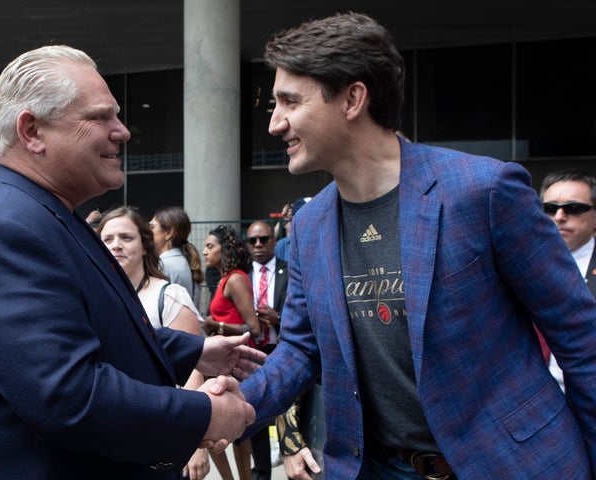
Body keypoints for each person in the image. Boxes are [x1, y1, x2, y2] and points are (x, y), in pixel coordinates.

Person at [232, 12, 596, 479]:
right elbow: (301, 350)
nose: (274, 124)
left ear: (352, 99)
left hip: (509, 464)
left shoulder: (483, 191)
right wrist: (232, 407)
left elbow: (580, 339)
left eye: (288, 102)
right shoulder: (309, 224)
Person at [0, 45, 265, 480]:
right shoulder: (7, 229)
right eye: (100, 117)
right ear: (31, 131)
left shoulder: (41, 213)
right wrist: (207, 413)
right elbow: (68, 396)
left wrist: (195, 350)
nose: (122, 131)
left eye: (117, 116)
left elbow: (91, 330)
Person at [98, 205, 210, 480]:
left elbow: (195, 368)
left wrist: (195, 440)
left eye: (126, 238)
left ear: (144, 246)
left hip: (161, 435)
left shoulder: (169, 295)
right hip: (108, 436)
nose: (116, 246)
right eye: (108, 239)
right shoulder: (94, 298)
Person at [202, 225, 260, 480]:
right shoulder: (222, 279)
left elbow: (253, 327)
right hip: (223, 364)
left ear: (224, 250)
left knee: (237, 430)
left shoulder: (235, 278)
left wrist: (218, 326)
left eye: (210, 246)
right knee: (217, 430)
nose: (204, 251)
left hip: (239, 365)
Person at [540, 168, 596, 392]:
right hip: (536, 402)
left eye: (573, 208)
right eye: (550, 209)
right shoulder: (516, 264)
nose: (560, 217)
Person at [244, 220, 288, 480]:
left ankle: (293, 457)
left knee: (287, 410)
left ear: (274, 241)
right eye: (253, 240)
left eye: (264, 239)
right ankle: (261, 471)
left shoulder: (290, 271)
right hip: (251, 353)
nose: (258, 245)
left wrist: (278, 318)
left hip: (282, 350)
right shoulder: (242, 276)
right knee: (256, 414)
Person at [150, 206, 205, 306]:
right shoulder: (187, 261)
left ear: (169, 232)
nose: (148, 232)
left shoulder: (162, 264)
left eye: (152, 227)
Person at [274, 197, 310, 262]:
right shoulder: (281, 245)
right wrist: (282, 216)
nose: (292, 220)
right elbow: (270, 239)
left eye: (296, 216)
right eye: (289, 216)